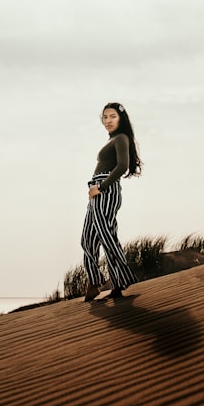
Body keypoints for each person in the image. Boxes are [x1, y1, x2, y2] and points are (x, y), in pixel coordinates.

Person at [81, 101, 142, 302]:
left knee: (106, 235)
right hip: (96, 191)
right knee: (87, 238)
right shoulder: (112, 139)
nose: (108, 120)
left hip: (105, 190)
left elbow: (122, 166)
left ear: (121, 118)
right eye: (105, 117)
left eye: (112, 116)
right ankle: (95, 282)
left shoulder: (121, 138)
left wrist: (102, 187)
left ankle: (120, 281)